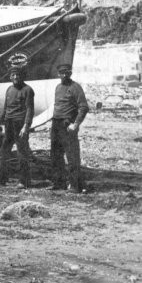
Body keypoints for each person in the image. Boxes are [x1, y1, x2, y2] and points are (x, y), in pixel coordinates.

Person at [0, 66, 35, 188]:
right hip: (9, 122)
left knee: (22, 152)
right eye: (13, 75)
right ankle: (1, 179)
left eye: (18, 75)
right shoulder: (9, 89)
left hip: (20, 123)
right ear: (10, 77)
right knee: (4, 150)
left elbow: (30, 110)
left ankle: (24, 181)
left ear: (22, 76)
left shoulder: (28, 90)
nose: (15, 77)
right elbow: (5, 108)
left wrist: (26, 126)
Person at [50, 63, 89, 193]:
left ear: (70, 73)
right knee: (55, 155)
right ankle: (58, 183)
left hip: (68, 126)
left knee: (72, 156)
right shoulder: (58, 87)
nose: (64, 75)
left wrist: (76, 124)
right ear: (58, 74)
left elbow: (83, 107)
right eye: (62, 73)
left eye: (67, 72)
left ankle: (75, 185)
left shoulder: (75, 87)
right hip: (56, 124)